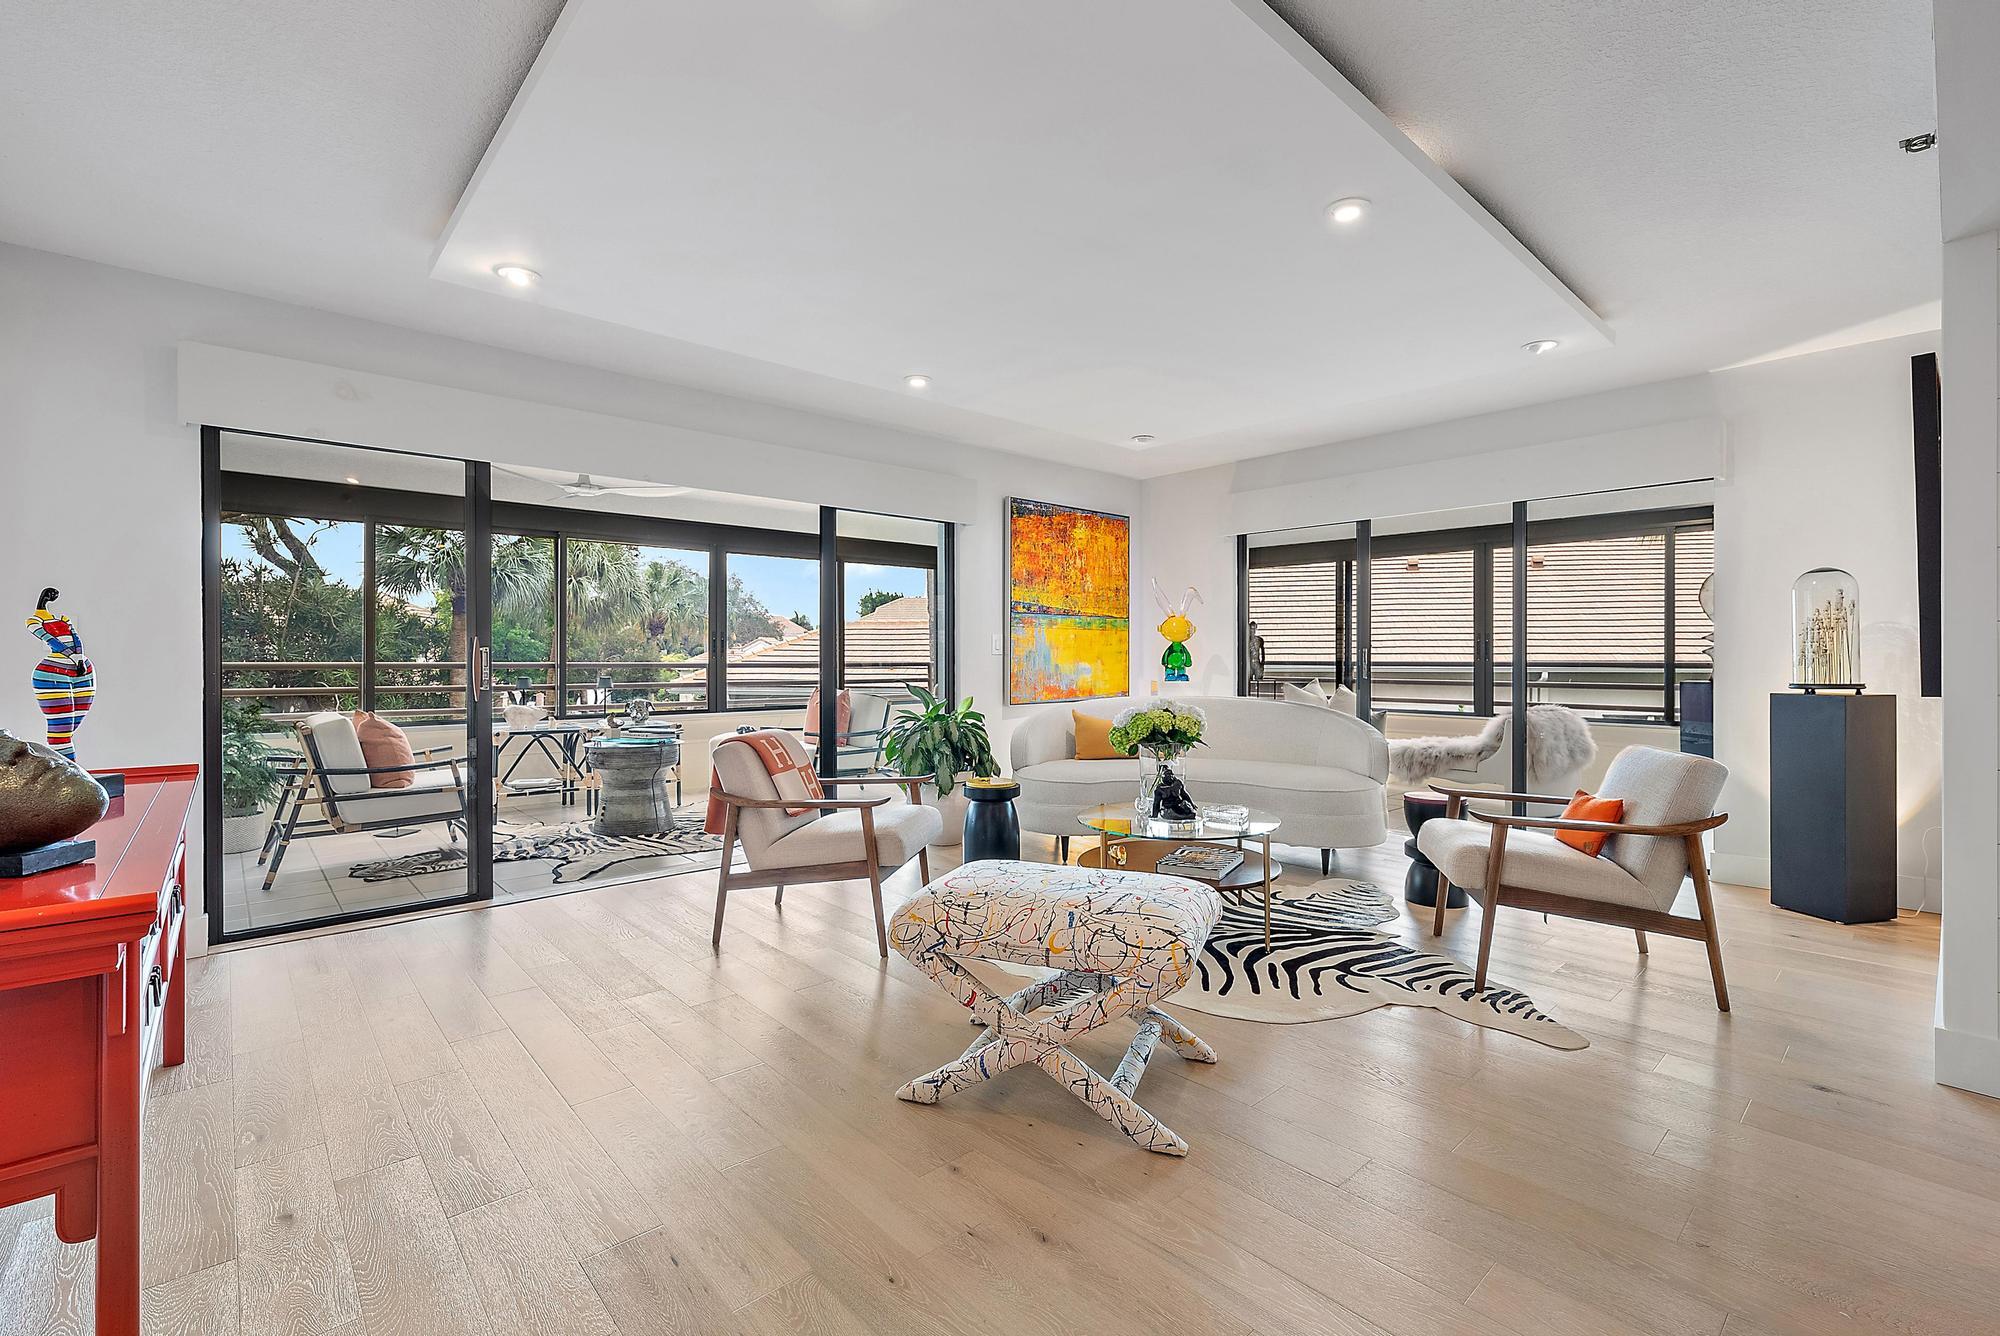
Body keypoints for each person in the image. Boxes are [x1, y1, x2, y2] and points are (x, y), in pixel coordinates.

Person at [27, 587, 95, 761]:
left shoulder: (64, 619)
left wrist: (79, 657)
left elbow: (76, 639)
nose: (52, 597)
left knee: (69, 727)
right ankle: (70, 770)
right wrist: (73, 657)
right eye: (50, 595)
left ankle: (68, 769)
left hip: (82, 669)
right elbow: (50, 640)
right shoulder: (33, 621)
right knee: (61, 729)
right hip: (52, 672)